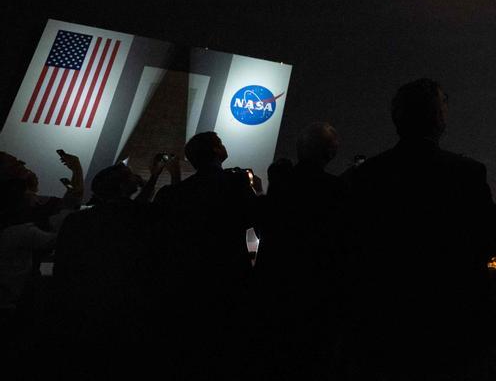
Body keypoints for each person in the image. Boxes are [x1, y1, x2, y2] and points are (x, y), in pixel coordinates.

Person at [346, 78, 496, 380]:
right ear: (438, 117)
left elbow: (352, 244)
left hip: (385, 319)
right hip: (453, 317)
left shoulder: (367, 176)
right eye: (444, 105)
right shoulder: (466, 173)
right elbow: (490, 236)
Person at [154, 131, 260, 372]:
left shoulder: (174, 194)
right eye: (220, 143)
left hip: (185, 280)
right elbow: (255, 218)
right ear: (215, 151)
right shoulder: (236, 182)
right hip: (228, 277)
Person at [53, 159, 170, 370]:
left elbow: (62, 265)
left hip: (80, 309)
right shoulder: (137, 216)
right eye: (130, 175)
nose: (136, 177)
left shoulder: (77, 220)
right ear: (122, 186)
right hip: (126, 310)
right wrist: (159, 176)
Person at [255, 122, 349, 376]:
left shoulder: (281, 185)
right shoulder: (339, 191)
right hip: (315, 300)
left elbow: (264, 229)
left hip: (272, 294)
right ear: (331, 153)